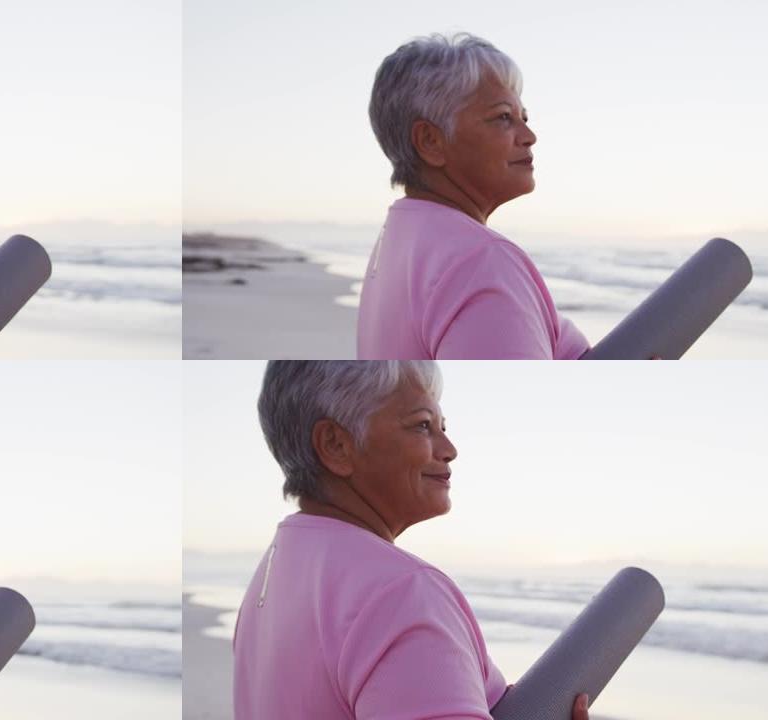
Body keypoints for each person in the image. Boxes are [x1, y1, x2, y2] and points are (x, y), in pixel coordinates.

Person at [233, 361, 589, 720]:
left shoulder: (278, 567)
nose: (449, 448)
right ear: (336, 445)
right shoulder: (401, 592)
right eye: (422, 426)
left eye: (443, 427)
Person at [358, 33, 589, 360]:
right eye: (503, 118)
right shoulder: (481, 261)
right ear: (430, 142)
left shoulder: (400, 236)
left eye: (524, 117)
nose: (529, 136)